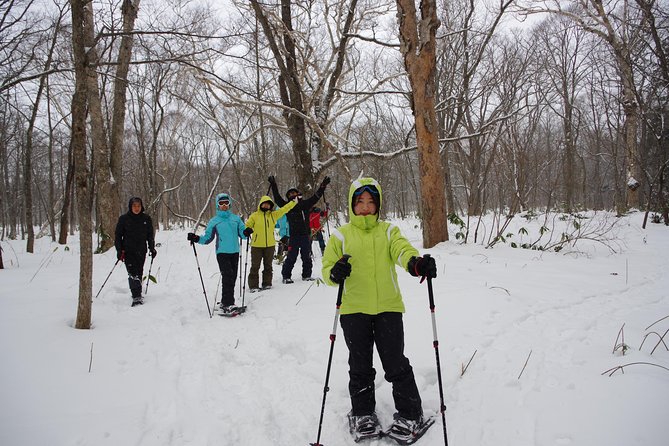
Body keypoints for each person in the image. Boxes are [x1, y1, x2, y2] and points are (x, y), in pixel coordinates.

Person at [321, 178, 437, 443]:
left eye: (371, 202)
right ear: (352, 204)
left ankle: (410, 413)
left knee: (395, 363)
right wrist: (335, 273)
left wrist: (415, 264)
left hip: (388, 308)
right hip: (353, 310)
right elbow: (327, 269)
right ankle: (362, 413)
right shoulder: (341, 235)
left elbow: (401, 250)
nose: (365, 207)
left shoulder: (388, 231)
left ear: (378, 205)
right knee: (360, 366)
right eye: (360, 202)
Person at [187, 193, 249, 315]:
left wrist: (246, 232)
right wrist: (196, 238)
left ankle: (225, 300)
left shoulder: (236, 219)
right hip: (222, 253)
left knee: (233, 277)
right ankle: (228, 303)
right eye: (221, 203)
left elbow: (242, 234)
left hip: (235, 252)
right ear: (217, 205)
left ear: (230, 204)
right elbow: (207, 238)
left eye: (226, 203)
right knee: (228, 276)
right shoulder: (214, 221)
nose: (224, 205)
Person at [268, 175, 331, 283]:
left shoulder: (304, 204)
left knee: (306, 256)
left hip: (305, 235)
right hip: (293, 236)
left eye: (294, 193)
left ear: (298, 194)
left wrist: (323, 186)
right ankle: (286, 276)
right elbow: (277, 198)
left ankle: (306, 275)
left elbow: (316, 197)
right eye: (290, 194)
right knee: (291, 257)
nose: (292, 195)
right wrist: (273, 184)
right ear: (288, 197)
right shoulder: (287, 206)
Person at [244, 195, 296, 292]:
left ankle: (267, 283)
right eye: (265, 204)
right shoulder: (254, 216)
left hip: (270, 246)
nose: (266, 206)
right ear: (261, 204)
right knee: (255, 266)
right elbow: (247, 225)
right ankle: (253, 286)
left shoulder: (273, 215)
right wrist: (247, 230)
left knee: (268, 266)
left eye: (268, 204)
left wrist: (293, 202)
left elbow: (284, 209)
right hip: (256, 246)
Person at [114, 197, 156, 307]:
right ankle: (136, 296)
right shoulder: (124, 219)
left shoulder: (146, 219)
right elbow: (118, 236)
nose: (136, 208)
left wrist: (152, 248)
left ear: (141, 206)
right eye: (134, 206)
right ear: (130, 207)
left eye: (138, 206)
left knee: (139, 271)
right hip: (128, 250)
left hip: (141, 250)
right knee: (132, 273)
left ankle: (138, 292)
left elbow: (150, 235)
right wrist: (119, 250)